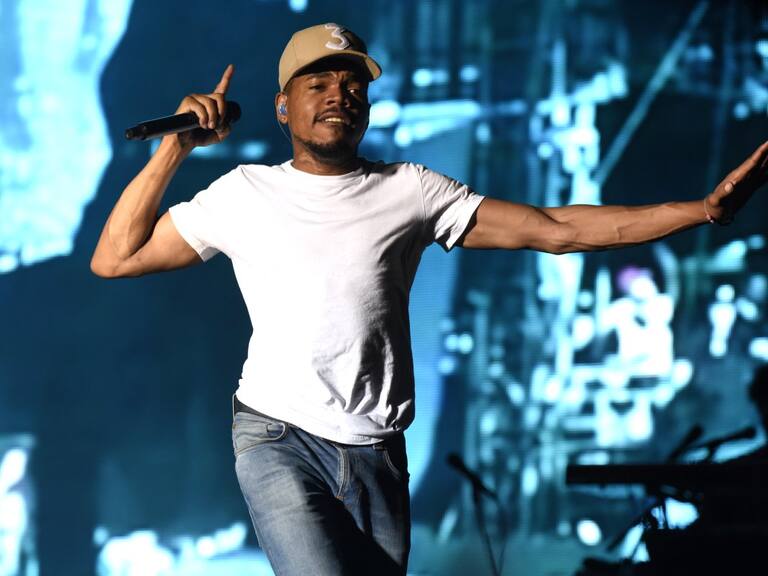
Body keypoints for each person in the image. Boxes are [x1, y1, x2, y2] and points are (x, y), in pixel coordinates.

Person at [90, 22, 768, 576]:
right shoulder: (244, 193)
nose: (338, 96)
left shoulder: (410, 189)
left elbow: (554, 229)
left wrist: (701, 210)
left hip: (378, 451)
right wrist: (174, 150)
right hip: (277, 436)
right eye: (318, 84)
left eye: (352, 85)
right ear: (282, 107)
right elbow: (114, 257)